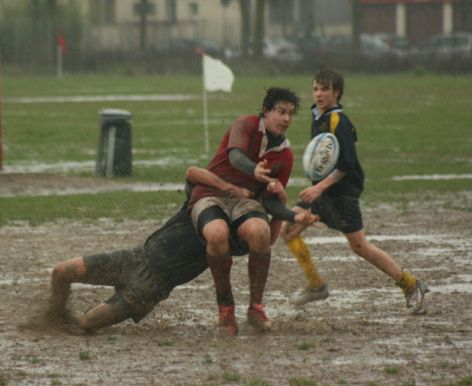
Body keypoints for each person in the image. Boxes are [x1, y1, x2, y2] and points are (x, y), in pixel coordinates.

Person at [21, 166, 316, 335]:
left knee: (86, 323)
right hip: (132, 258)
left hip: (149, 288)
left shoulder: (226, 238)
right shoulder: (201, 203)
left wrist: (280, 209)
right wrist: (227, 185)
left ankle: (67, 326)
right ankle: (54, 315)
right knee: (60, 272)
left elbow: (265, 244)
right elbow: (193, 172)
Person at [280, 67, 429, 314]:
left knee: (360, 246)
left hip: (341, 194)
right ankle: (316, 285)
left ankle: (410, 285)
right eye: (315, 88)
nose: (318, 93)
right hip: (323, 193)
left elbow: (346, 167)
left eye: (324, 89)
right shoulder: (319, 117)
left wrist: (318, 188)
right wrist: (317, 185)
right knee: (288, 230)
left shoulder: (339, 121)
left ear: (336, 93)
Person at [188, 87, 316, 335]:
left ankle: (255, 307)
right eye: (280, 112)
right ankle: (225, 305)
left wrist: (295, 216)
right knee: (216, 234)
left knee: (260, 232)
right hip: (212, 193)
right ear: (266, 111)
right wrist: (253, 171)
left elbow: (271, 202)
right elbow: (235, 156)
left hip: (247, 202)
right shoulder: (245, 124)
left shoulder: (285, 156)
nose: (286, 119)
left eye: (290, 113)